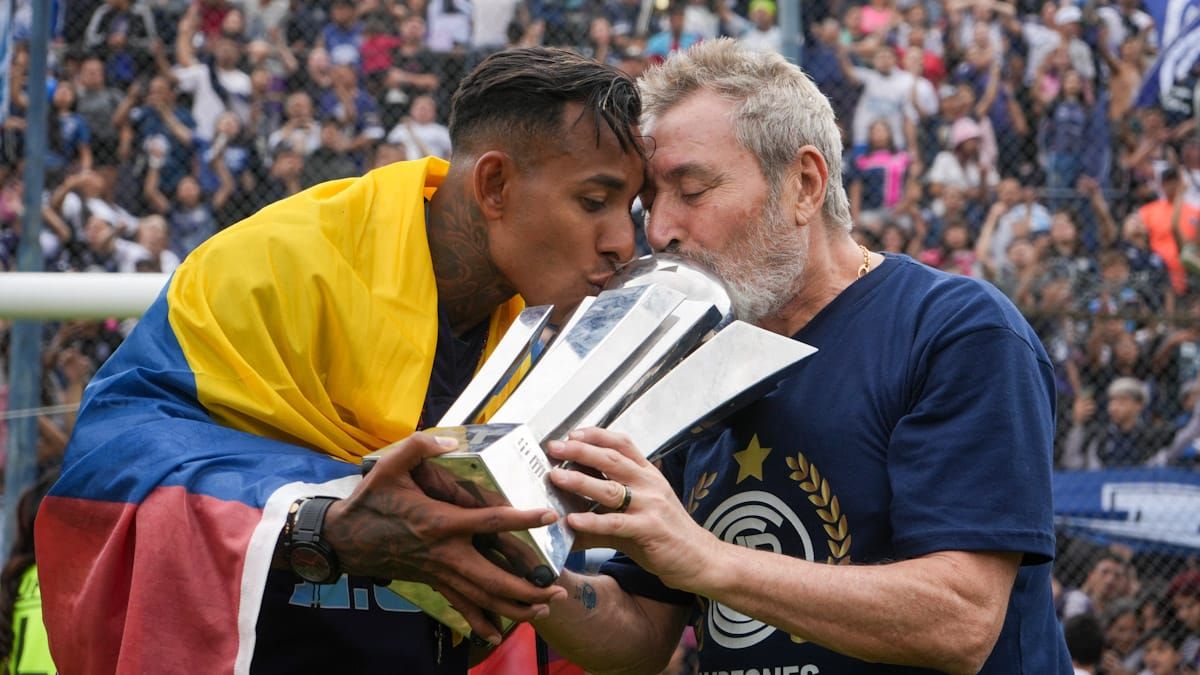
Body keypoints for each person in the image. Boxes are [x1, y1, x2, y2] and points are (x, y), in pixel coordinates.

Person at [34, 47, 645, 674]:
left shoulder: (551, 342)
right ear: (494, 185)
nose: (623, 242)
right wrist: (322, 524)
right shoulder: (265, 265)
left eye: (630, 209)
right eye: (595, 201)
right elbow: (113, 459)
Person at [533, 39, 1070, 674]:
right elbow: (645, 633)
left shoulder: (955, 329)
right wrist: (524, 580)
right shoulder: (690, 359)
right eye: (651, 201)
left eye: (693, 189)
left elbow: (961, 618)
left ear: (804, 185)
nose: (660, 231)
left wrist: (709, 559)